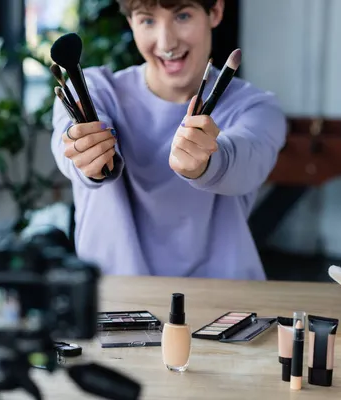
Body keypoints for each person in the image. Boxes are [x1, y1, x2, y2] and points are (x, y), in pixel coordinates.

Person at [50, 0, 287, 279]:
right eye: (147, 20)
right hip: (113, 304)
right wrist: (83, 154)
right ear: (131, 23)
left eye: (182, 15)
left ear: (215, 12)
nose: (167, 41)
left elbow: (248, 161)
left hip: (226, 305)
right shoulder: (96, 91)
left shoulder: (256, 107)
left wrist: (210, 160)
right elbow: (67, 144)